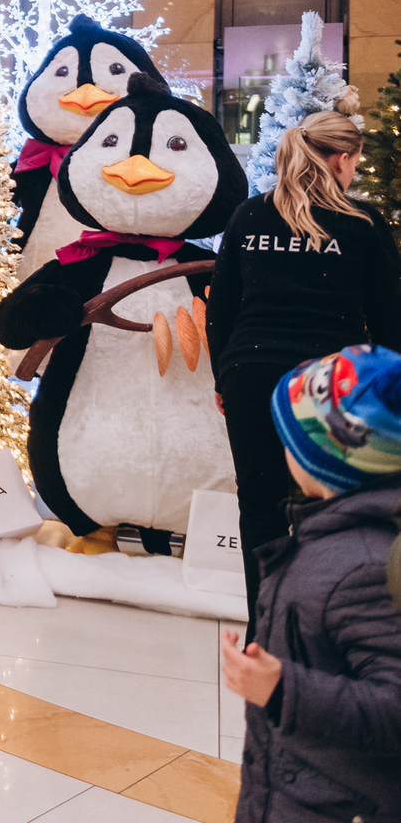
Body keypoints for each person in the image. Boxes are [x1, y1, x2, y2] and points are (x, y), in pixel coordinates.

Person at [207, 109, 401, 640]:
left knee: (260, 506)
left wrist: (225, 378)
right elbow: (389, 319)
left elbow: (221, 308)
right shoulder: (362, 224)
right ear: (341, 159)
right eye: (355, 161)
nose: (355, 171)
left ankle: (264, 633)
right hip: (327, 382)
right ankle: (323, 632)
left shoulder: (249, 217)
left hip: (251, 372)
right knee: (332, 507)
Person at [224, 345, 401, 822]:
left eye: (290, 438)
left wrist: (283, 689)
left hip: (336, 803)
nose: (283, 450)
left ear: (331, 458)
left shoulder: (364, 566)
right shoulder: (328, 538)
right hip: (294, 790)